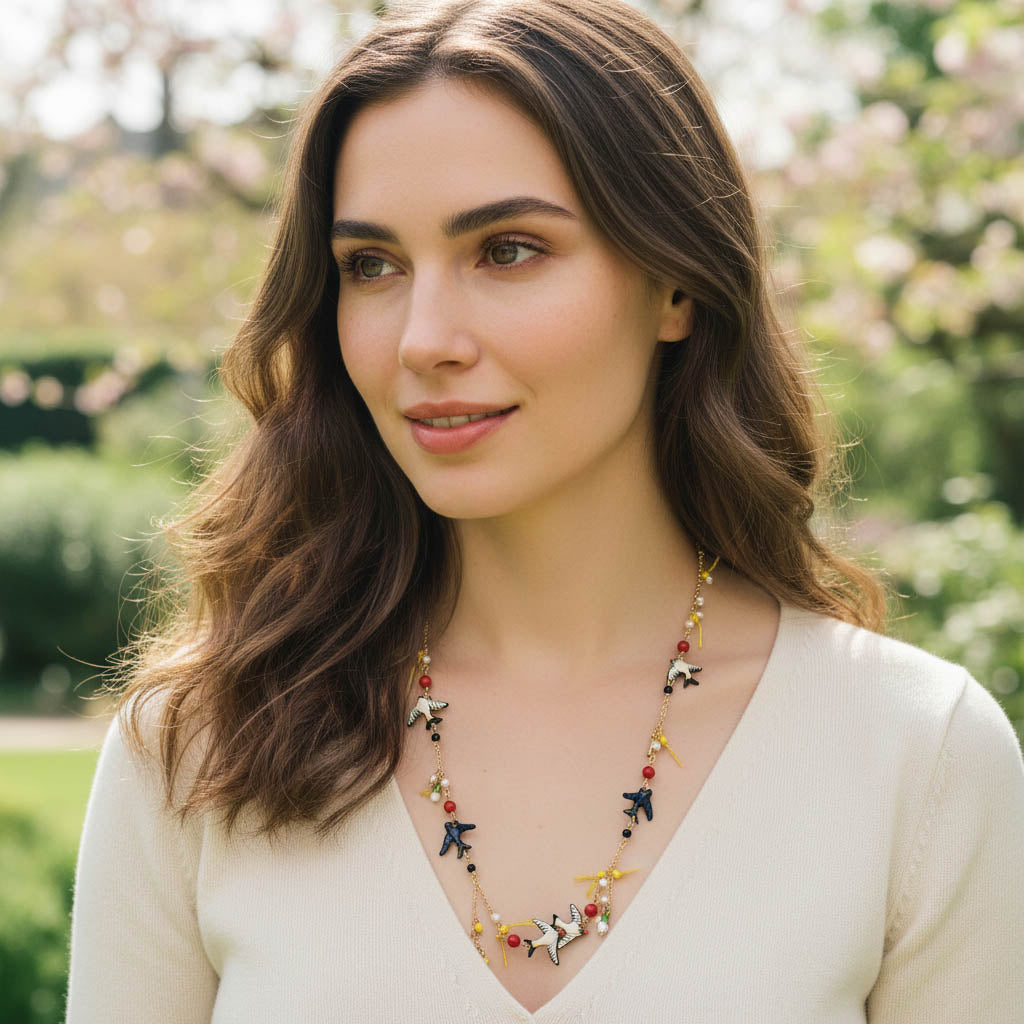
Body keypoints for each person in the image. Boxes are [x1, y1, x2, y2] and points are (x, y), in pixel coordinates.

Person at [65, 0, 1024, 1020]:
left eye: (508, 250)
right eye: (372, 267)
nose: (422, 338)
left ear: (675, 287)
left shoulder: (913, 754)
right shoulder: (201, 751)